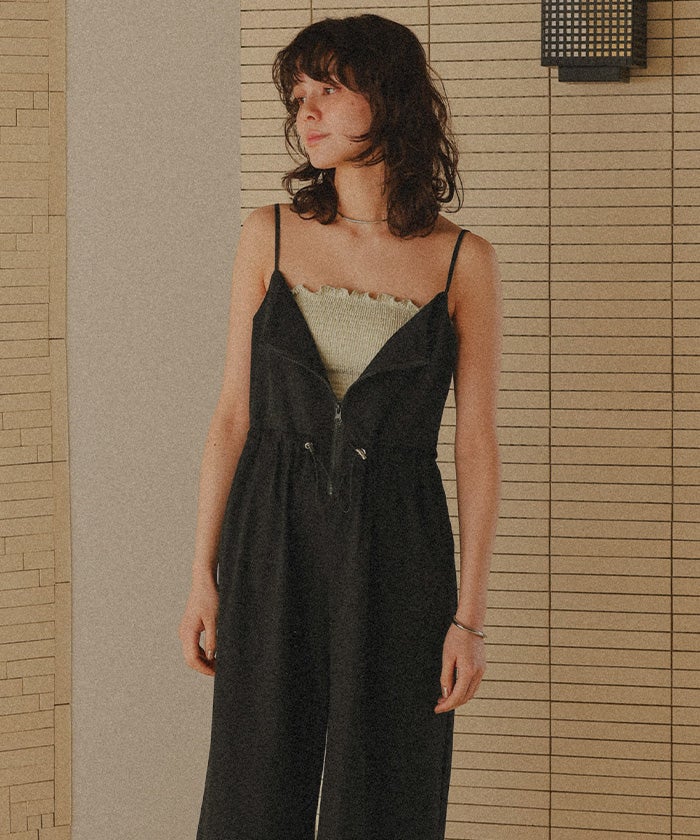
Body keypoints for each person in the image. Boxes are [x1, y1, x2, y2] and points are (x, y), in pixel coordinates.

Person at [179, 13, 501, 840]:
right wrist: (202, 574)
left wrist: (468, 618)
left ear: (388, 96)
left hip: (399, 545)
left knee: (388, 789)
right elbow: (232, 415)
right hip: (271, 534)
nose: (307, 111)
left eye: (328, 89)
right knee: (252, 789)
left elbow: (475, 447)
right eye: (299, 96)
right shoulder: (268, 235)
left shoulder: (463, 260)